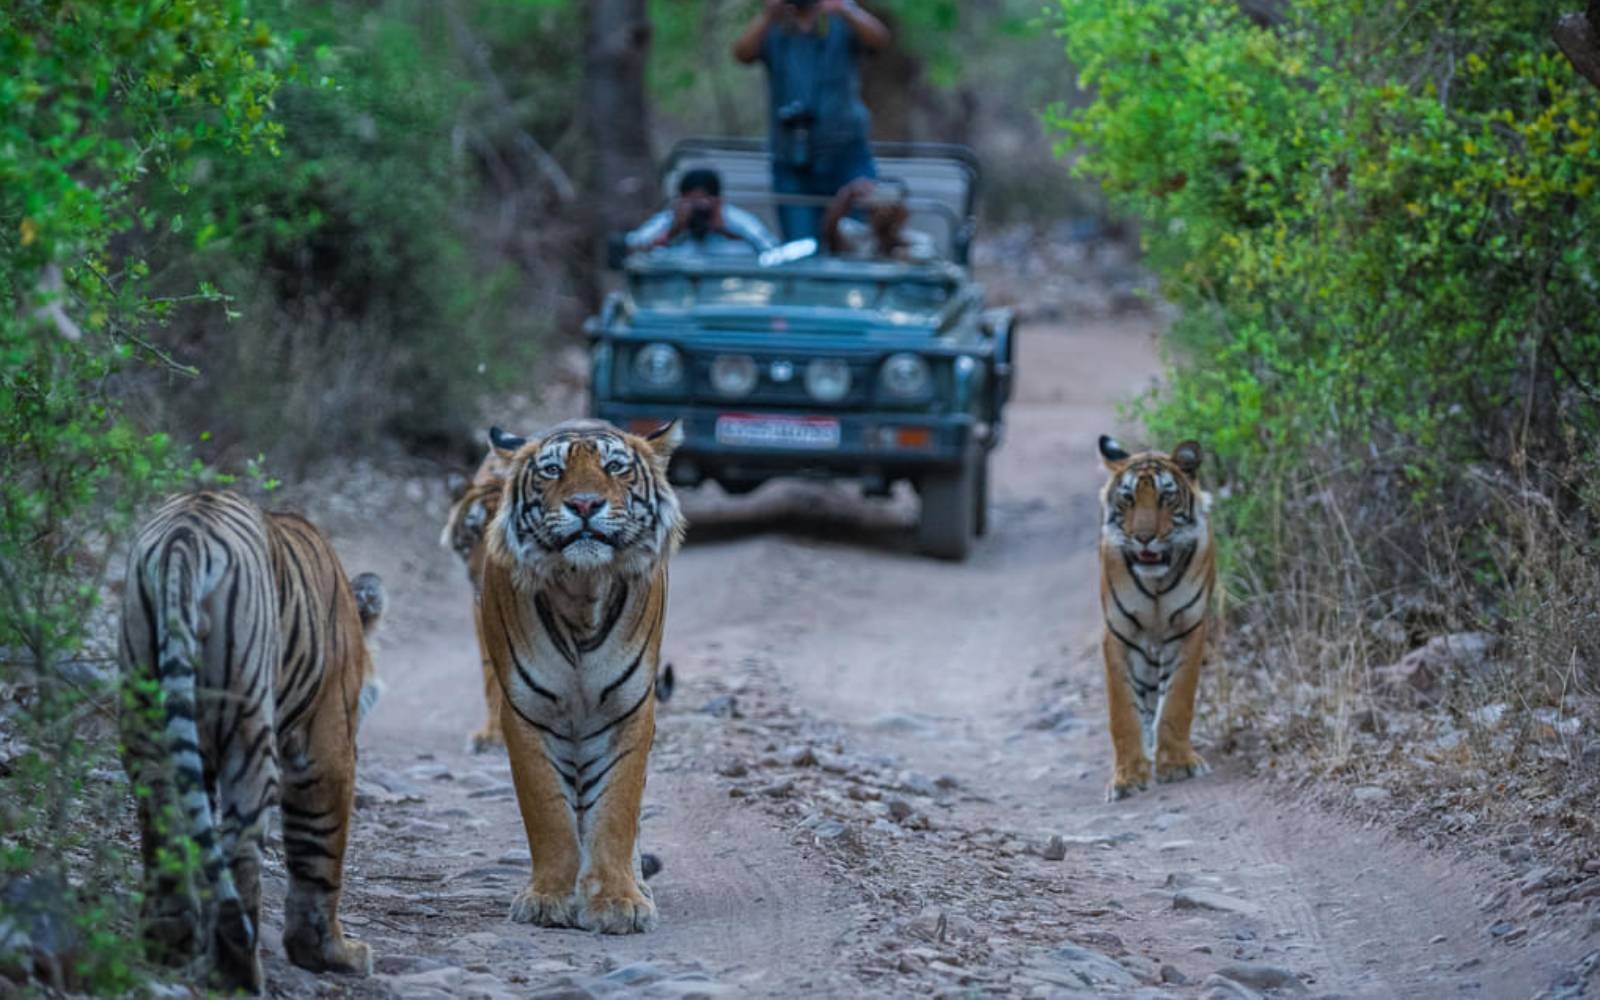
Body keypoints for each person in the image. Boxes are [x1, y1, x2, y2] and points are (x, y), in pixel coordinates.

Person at [733, 0, 891, 242]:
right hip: (791, 158)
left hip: (846, 156)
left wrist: (845, 8)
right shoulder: (776, 28)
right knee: (802, 247)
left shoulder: (842, 22)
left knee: (860, 240)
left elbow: (880, 40)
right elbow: (742, 53)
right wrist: (767, 16)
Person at [625, 168, 777, 257]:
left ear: (717, 200)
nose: (697, 208)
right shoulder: (669, 220)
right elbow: (634, 247)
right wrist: (673, 231)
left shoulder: (737, 220)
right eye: (690, 201)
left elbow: (771, 250)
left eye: (703, 200)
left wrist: (725, 230)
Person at [820, 179, 937, 263]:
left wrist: (893, 242)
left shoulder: (920, 241)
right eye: (877, 209)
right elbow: (830, 229)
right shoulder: (855, 235)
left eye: (892, 211)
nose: (884, 215)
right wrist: (848, 194)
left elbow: (925, 256)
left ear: (903, 214)